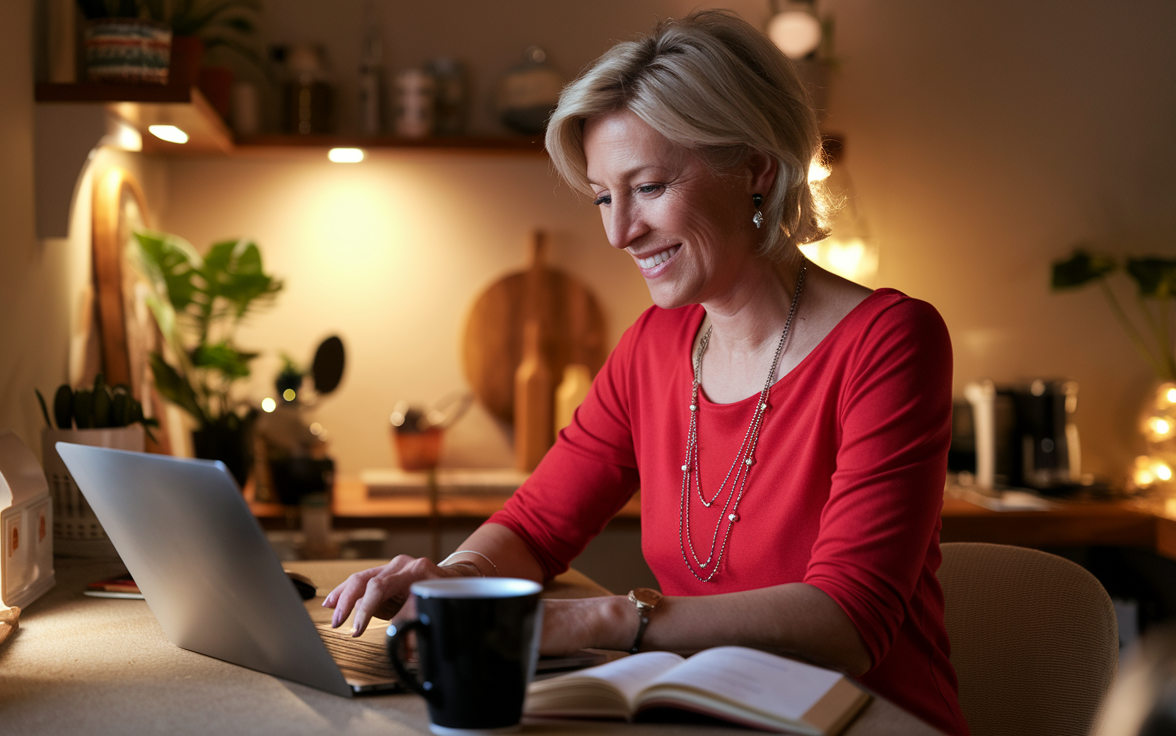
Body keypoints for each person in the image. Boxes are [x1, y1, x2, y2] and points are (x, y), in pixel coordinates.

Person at [326, 9, 967, 735]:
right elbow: (536, 527)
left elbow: (846, 621)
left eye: (650, 187)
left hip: (866, 722)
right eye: (605, 195)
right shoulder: (654, 345)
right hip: (704, 718)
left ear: (755, 169)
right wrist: (456, 581)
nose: (618, 231)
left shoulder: (890, 341)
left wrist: (600, 617)